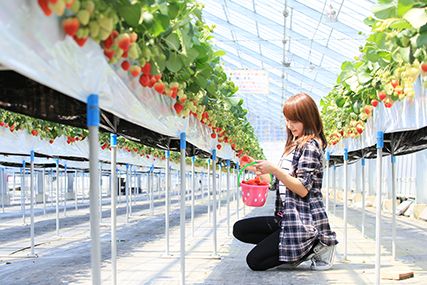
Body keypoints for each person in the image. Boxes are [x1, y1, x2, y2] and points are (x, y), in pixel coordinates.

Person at [233, 93, 338, 271]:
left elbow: (303, 189)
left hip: (303, 221)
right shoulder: (294, 145)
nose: (290, 126)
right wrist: (257, 169)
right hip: (286, 218)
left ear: (308, 118)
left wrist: (274, 169)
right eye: (287, 120)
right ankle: (291, 248)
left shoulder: (310, 146)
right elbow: (278, 183)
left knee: (255, 261)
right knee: (240, 229)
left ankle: (315, 245)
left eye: (295, 121)